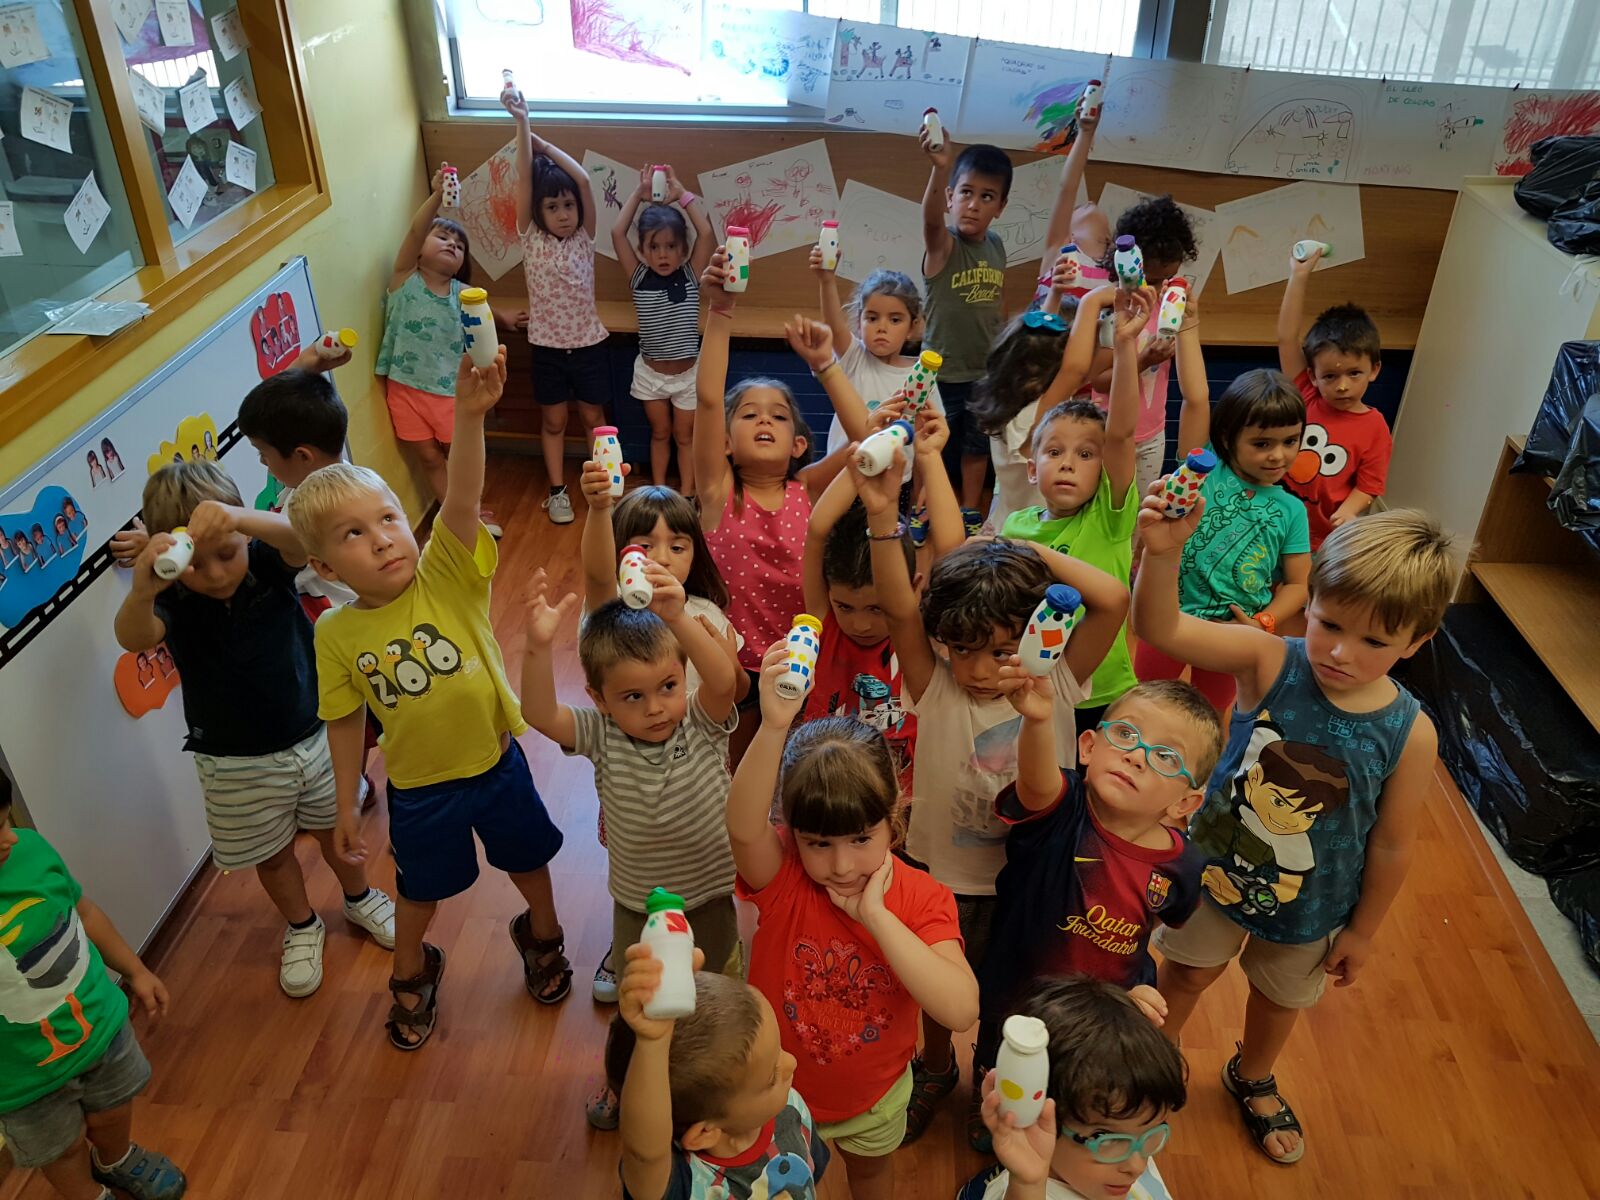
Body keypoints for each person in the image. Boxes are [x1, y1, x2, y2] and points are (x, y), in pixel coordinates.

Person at [1133, 505, 1453, 1165]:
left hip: (1313, 905)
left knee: (1279, 1001)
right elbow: (1159, 627)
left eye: (1374, 641)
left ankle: (1253, 1077)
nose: (1340, 652)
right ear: (1310, 602)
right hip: (1214, 875)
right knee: (1185, 974)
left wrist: (1363, 932)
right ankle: (1146, 1063)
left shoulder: (1412, 733)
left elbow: (1393, 843)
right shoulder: (1267, 659)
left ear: (1417, 640)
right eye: (1329, 624)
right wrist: (1161, 553)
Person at [286, 349, 571, 1049]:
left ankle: (543, 934)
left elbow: (463, 498)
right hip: (419, 790)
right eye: (354, 534)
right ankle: (412, 965)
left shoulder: (444, 572)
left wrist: (469, 417)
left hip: (496, 767)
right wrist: (347, 800)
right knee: (421, 889)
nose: (384, 539)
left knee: (528, 860)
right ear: (323, 566)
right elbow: (344, 718)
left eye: (387, 518)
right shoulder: (335, 633)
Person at [866, 449, 1128, 1150]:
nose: (981, 670)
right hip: (941, 876)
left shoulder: (1058, 678)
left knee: (1016, 993)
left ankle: (994, 1077)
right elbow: (898, 606)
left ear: (1041, 636)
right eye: (963, 649)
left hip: (1034, 877)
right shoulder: (934, 683)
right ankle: (934, 1067)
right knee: (935, 988)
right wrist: (883, 516)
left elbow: (1112, 599)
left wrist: (1021, 548)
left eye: (1004, 650)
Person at [113, 460, 395, 998]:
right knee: (272, 853)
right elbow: (134, 637)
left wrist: (240, 520)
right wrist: (144, 589)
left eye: (227, 554)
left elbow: (301, 539)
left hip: (313, 734)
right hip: (231, 761)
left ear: (244, 535)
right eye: (198, 565)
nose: (217, 575)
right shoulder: (172, 597)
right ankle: (302, 924)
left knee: (336, 831)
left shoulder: (266, 560)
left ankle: (360, 899)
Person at [728, 655, 978, 1200]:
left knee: (869, 1179)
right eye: (819, 842)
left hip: (876, 1100)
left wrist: (878, 918)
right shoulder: (785, 875)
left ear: (895, 818)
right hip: (776, 1095)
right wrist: (773, 726)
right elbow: (743, 828)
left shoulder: (922, 898)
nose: (841, 866)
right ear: (793, 833)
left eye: (861, 838)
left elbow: (960, 1010)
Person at [520, 567, 740, 1128]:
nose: (656, 707)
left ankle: (716, 1078)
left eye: (668, 686)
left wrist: (678, 617)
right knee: (635, 1002)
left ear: (682, 678)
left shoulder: (699, 721)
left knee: (715, 992)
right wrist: (538, 647)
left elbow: (724, 683)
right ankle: (626, 1080)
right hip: (638, 904)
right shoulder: (601, 733)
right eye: (633, 696)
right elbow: (539, 714)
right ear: (599, 699)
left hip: (710, 897)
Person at [980, 673, 1219, 1055]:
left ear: (1185, 803)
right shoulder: (1062, 808)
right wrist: (1038, 720)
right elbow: (1037, 783)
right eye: (1125, 733)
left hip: (1103, 1020)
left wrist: (1129, 995)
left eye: (1166, 756)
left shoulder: (1184, 865)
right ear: (1089, 746)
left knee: (1085, 1082)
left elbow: (1154, 922)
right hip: (1018, 1003)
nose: (1136, 755)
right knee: (1005, 1074)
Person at [692, 252, 870, 751]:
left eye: (778, 416)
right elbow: (708, 400)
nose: (764, 420)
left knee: (796, 766)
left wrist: (826, 366)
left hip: (805, 660)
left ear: (798, 444)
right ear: (726, 443)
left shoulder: (809, 489)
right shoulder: (718, 491)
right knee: (736, 768)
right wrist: (720, 311)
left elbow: (867, 442)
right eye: (749, 415)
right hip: (733, 667)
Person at [1001, 286, 1191, 742]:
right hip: (1033, 687)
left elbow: (1121, 433)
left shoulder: (1109, 515)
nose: (1068, 463)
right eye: (1054, 452)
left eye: (1086, 454)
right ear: (1032, 468)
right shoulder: (1015, 526)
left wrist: (1125, 344)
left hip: (1100, 692)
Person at [0, 774, 188, 1200]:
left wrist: (136, 971)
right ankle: (88, 1193)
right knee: (61, 1150)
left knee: (115, 1109)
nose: (10, 838)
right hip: (21, 1076)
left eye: (5, 821)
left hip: (100, 1029)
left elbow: (84, 912)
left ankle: (115, 1159)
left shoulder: (30, 850)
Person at [797, 406, 957, 793]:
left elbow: (953, 551)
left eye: (877, 608)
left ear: (915, 587)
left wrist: (930, 458)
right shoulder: (823, 622)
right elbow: (817, 529)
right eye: (845, 607)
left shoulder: (918, 633)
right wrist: (866, 452)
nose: (860, 624)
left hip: (901, 802)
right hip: (825, 793)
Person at [1133, 369, 1311, 712]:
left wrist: (1264, 622)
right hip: (1169, 613)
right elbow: (1196, 397)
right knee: (1147, 700)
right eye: (1262, 444)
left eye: (1290, 441)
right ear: (1228, 438)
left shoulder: (1292, 511)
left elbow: (1298, 584)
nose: (1278, 455)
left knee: (1210, 713)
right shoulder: (1206, 468)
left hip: (1230, 631)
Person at [607, 942, 829, 1200]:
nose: (792, 1063)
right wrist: (652, 1043)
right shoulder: (687, 1183)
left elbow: (809, 1177)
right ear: (704, 1133)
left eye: (779, 1052)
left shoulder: (790, 1108)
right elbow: (644, 1155)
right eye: (771, 1077)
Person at [374, 164, 516, 538]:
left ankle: (472, 512)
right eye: (442, 237)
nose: (452, 244)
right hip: (405, 388)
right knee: (428, 458)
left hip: (451, 392)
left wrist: (504, 318)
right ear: (419, 251)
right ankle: (452, 514)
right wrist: (438, 194)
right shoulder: (404, 279)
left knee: (462, 456)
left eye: (459, 245)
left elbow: (484, 314)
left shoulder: (462, 294)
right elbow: (415, 230)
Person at [965, 976, 1188, 1200]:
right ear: (1034, 1116)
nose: (1137, 1166)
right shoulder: (1027, 1190)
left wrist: (1129, 1026)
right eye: (1106, 1137)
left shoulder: (1128, 1147)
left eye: (1152, 1129)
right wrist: (1027, 1184)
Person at [501, 89, 609, 525]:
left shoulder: (585, 237)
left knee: (594, 418)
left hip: (589, 346)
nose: (563, 214)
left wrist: (544, 145)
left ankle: (604, 486)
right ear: (538, 212)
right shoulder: (531, 238)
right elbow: (525, 180)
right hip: (546, 348)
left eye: (568, 206)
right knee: (554, 422)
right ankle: (557, 490)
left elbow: (583, 180)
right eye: (552, 207)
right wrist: (522, 122)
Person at [578, 472, 742, 703]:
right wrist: (598, 508)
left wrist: (733, 668)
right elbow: (598, 577)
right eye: (644, 547)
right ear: (617, 553)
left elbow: (734, 694)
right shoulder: (614, 606)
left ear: (694, 556)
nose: (662, 559)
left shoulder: (708, 616)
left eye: (677, 548)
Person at [918, 131, 1013, 526]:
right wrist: (940, 167)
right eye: (966, 193)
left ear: (1000, 207)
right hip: (940, 373)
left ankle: (970, 508)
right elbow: (929, 221)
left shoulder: (997, 246)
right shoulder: (944, 245)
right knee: (932, 445)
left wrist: (1002, 349)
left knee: (977, 445)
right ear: (950, 197)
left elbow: (997, 300)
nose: (973, 204)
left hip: (982, 372)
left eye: (987, 197)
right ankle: (922, 508)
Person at [1276, 246, 1392, 548]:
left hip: (1322, 540)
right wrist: (1298, 275)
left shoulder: (1375, 428)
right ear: (1313, 375)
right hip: (1274, 524)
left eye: (1354, 373)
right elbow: (1287, 338)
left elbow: (1369, 485)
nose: (1342, 386)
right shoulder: (1306, 392)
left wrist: (1348, 511)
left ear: (1374, 370)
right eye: (1330, 376)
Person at [971, 290, 1114, 531]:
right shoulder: (1031, 415)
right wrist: (1093, 301)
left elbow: (1050, 349)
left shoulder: (1010, 401)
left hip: (1009, 521)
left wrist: (1108, 329)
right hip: (1027, 535)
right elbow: (1075, 371)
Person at [1087, 196, 1201, 498]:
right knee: (1107, 508)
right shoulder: (1114, 312)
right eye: (1150, 280)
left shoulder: (1169, 309)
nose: (1158, 289)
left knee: (1139, 510)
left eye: (1167, 279)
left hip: (1153, 434)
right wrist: (1142, 360)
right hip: (1109, 432)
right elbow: (1098, 381)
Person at [611, 164, 715, 494]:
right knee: (660, 433)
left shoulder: (690, 274)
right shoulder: (639, 276)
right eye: (654, 247)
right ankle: (658, 491)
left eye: (671, 246)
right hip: (651, 375)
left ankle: (686, 494)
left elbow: (706, 233)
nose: (663, 255)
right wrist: (638, 194)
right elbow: (617, 233)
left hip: (687, 376)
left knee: (685, 436)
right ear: (643, 250)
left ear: (683, 249)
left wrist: (682, 195)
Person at [809, 257, 944, 491]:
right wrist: (827, 280)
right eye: (872, 318)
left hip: (895, 481)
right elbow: (834, 324)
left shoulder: (922, 374)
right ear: (859, 321)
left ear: (912, 327)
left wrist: (926, 485)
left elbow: (932, 435)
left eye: (895, 319)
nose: (882, 327)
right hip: (844, 477)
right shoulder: (855, 357)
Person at [1031, 100, 1105, 312]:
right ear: (1070, 235)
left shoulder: (1115, 267)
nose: (1090, 202)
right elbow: (1067, 188)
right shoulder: (1060, 250)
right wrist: (1085, 133)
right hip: (1045, 331)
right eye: (1078, 208)